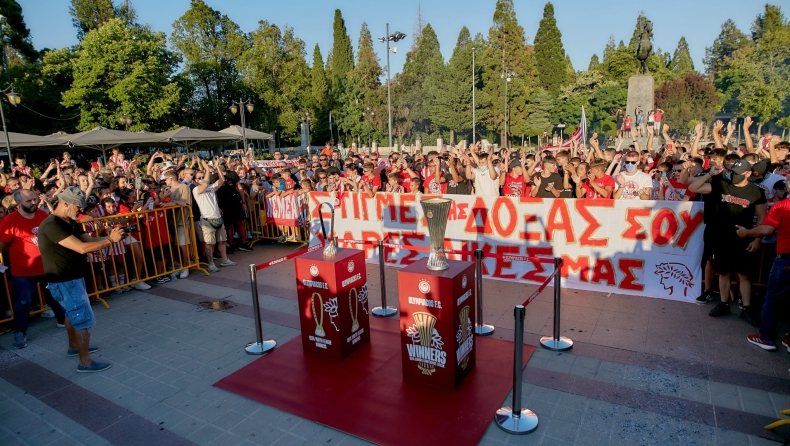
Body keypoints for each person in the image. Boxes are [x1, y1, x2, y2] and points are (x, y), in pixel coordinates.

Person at [38, 186, 125, 373]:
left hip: (72, 278)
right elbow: (81, 248)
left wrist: (109, 237)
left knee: (72, 315)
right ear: (65, 203)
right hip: (64, 280)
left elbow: (87, 241)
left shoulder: (69, 221)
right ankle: (84, 361)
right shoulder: (51, 224)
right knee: (82, 319)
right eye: (77, 207)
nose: (80, 210)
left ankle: (74, 346)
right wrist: (110, 241)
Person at [688, 160, 767, 324]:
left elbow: (762, 217)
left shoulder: (756, 191)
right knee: (723, 272)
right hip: (721, 236)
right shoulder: (721, 185)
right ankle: (723, 304)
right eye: (733, 172)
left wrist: (757, 238)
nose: (734, 176)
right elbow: (693, 188)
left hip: (744, 237)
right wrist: (710, 173)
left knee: (743, 274)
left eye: (738, 173)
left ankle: (746, 308)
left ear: (747, 173)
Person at [0, 189, 66, 349]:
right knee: (22, 302)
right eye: (29, 201)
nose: (34, 203)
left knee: (54, 295)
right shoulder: (10, 220)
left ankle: (63, 319)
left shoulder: (43, 216)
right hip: (23, 270)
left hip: (46, 266)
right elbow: (3, 245)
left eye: (35, 199)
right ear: (18, 203)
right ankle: (20, 333)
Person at [737, 177, 790, 351]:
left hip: (785, 259)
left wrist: (747, 233)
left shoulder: (781, 206)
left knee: (773, 299)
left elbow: (767, 229)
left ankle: (766, 337)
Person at [193, 158, 236, 272]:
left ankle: (225, 259)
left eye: (203, 177)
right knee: (209, 243)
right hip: (207, 219)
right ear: (195, 181)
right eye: (199, 178)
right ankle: (211, 263)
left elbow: (221, 181)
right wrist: (207, 169)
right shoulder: (196, 190)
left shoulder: (211, 188)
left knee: (221, 240)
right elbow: (205, 184)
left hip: (217, 217)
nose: (202, 179)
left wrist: (217, 167)